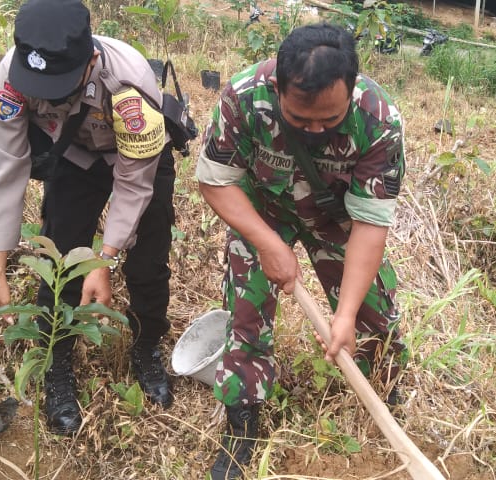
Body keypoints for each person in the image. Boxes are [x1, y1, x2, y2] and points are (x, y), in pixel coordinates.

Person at [196, 23, 410, 479]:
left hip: (337, 217)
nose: (315, 129)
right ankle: (242, 423)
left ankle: (385, 397)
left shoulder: (379, 120)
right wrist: (269, 244)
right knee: (246, 315)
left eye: (328, 120)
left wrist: (345, 315)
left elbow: (371, 225)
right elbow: (214, 180)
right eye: (300, 118)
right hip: (262, 211)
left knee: (374, 318)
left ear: (351, 91)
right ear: (277, 88)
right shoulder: (243, 97)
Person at [0, 0, 175, 436]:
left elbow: (133, 183)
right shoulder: (10, 81)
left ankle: (145, 346)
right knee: (61, 260)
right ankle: (57, 363)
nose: (46, 96)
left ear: (92, 62)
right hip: (77, 155)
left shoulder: (130, 83)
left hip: (139, 161)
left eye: (59, 86)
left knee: (148, 259)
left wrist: (105, 260)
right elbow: (3, 168)